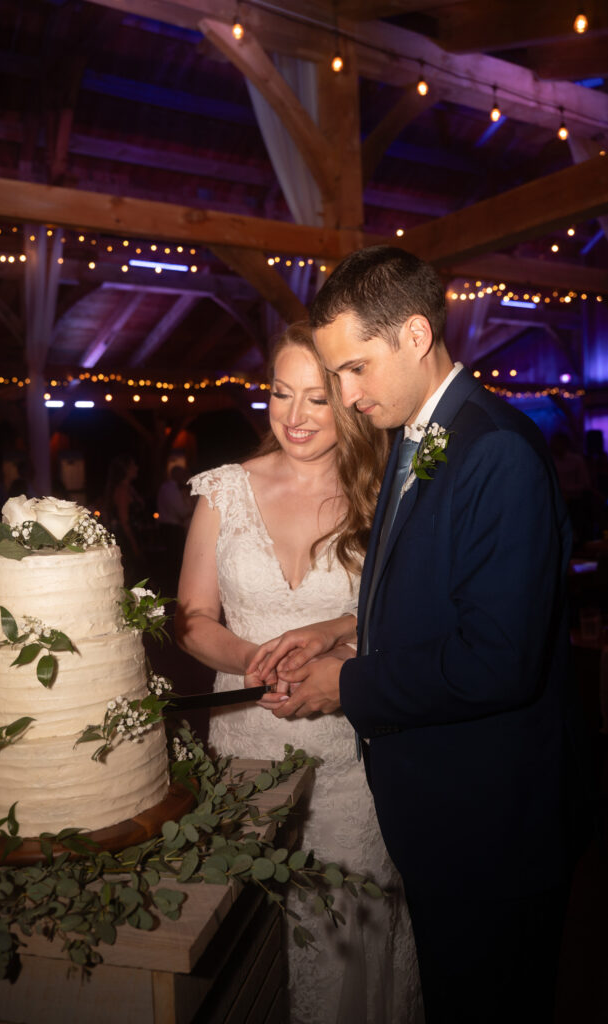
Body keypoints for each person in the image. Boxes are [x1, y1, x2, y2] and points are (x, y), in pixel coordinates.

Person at [249, 247, 590, 1024]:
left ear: (412, 334)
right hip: (443, 814)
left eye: (353, 369)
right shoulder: (424, 432)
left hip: (493, 825)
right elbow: (425, 593)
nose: (344, 395)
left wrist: (348, 682)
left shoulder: (493, 448)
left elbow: (496, 661)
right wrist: (346, 633)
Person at [175, 322, 423, 1024]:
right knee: (249, 940)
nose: (292, 416)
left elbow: (409, 618)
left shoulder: (386, 495)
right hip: (242, 749)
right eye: (280, 393)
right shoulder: (223, 490)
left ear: (348, 400)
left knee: (345, 935)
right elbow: (191, 617)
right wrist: (247, 659)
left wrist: (340, 636)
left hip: (348, 762)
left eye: (316, 398)